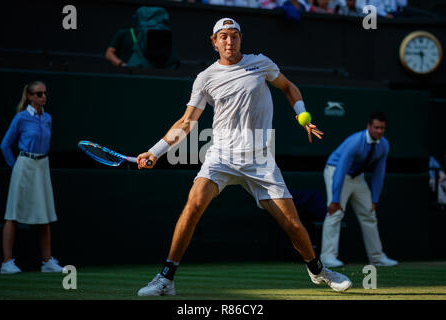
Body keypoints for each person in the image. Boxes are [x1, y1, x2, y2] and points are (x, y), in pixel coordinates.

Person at [135, 17, 352, 296]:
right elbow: (187, 121)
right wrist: (155, 152)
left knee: (293, 224)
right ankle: (166, 278)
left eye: (234, 36)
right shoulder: (206, 78)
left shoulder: (261, 63)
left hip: (259, 159)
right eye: (223, 36)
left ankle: (318, 271)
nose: (229, 41)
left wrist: (301, 113)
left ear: (240, 39)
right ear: (214, 42)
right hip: (222, 156)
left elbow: (288, 87)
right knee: (192, 207)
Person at [0, 81, 63, 274]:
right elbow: (5, 145)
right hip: (24, 164)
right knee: (13, 214)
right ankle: (7, 263)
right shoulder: (21, 118)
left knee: (45, 215)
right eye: (39, 94)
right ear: (30, 96)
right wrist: (16, 166)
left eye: (45, 93)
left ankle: (47, 262)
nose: (43, 97)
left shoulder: (48, 118)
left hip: (42, 166)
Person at [320, 111, 398, 268]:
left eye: (382, 128)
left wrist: (375, 199)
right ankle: (327, 257)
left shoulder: (384, 145)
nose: (379, 131)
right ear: (369, 126)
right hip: (335, 171)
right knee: (335, 213)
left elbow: (378, 173)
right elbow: (341, 169)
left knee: (369, 213)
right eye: (376, 127)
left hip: (357, 177)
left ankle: (377, 257)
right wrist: (335, 199)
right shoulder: (356, 142)